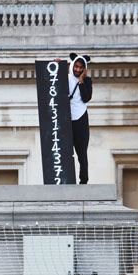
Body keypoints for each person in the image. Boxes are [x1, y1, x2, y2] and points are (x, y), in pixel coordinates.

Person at [54, 53, 93, 184]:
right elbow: (51, 81)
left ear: (85, 69)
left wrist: (81, 81)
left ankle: (83, 180)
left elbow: (86, 98)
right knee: (64, 151)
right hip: (66, 119)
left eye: (81, 67)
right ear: (72, 65)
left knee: (82, 152)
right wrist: (57, 65)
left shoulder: (87, 81)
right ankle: (66, 179)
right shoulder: (65, 78)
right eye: (76, 66)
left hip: (81, 118)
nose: (77, 70)